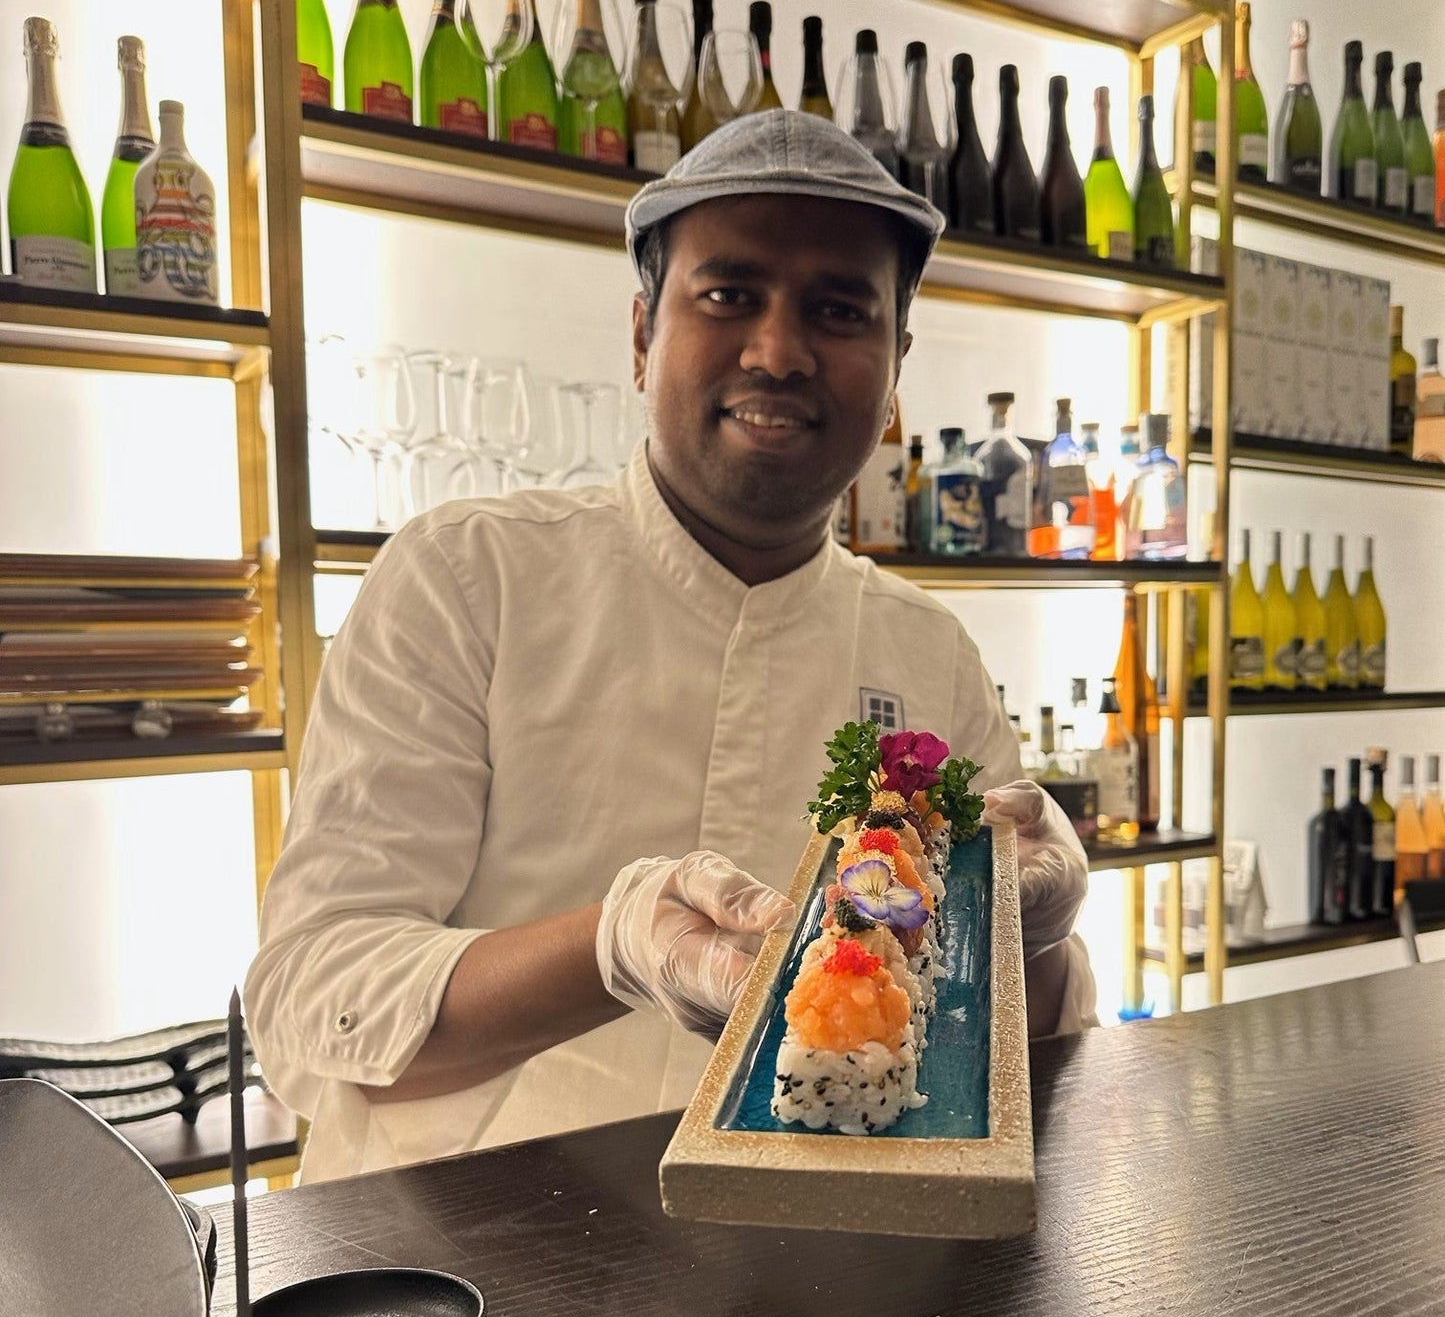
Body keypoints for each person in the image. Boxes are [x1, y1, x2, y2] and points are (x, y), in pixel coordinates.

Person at [245, 111, 1095, 1182]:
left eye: (838, 310)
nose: (779, 351)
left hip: (833, 1279)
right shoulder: (463, 578)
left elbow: (997, 1059)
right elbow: (307, 1001)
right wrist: (614, 945)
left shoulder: (930, 653)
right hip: (465, 1269)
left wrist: (1040, 937)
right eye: (728, 295)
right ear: (642, 332)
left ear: (893, 372)